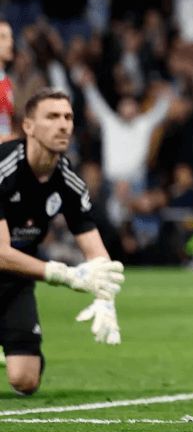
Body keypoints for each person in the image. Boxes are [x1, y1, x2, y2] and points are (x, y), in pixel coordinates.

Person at [0, 88, 125, 395]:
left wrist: (105, 299)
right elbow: (1, 253)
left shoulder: (69, 182)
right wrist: (64, 274)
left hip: (15, 280)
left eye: (68, 117)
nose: (63, 125)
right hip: (8, 262)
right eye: (52, 117)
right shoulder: (3, 169)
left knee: (25, 380)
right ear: (28, 126)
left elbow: (97, 254)